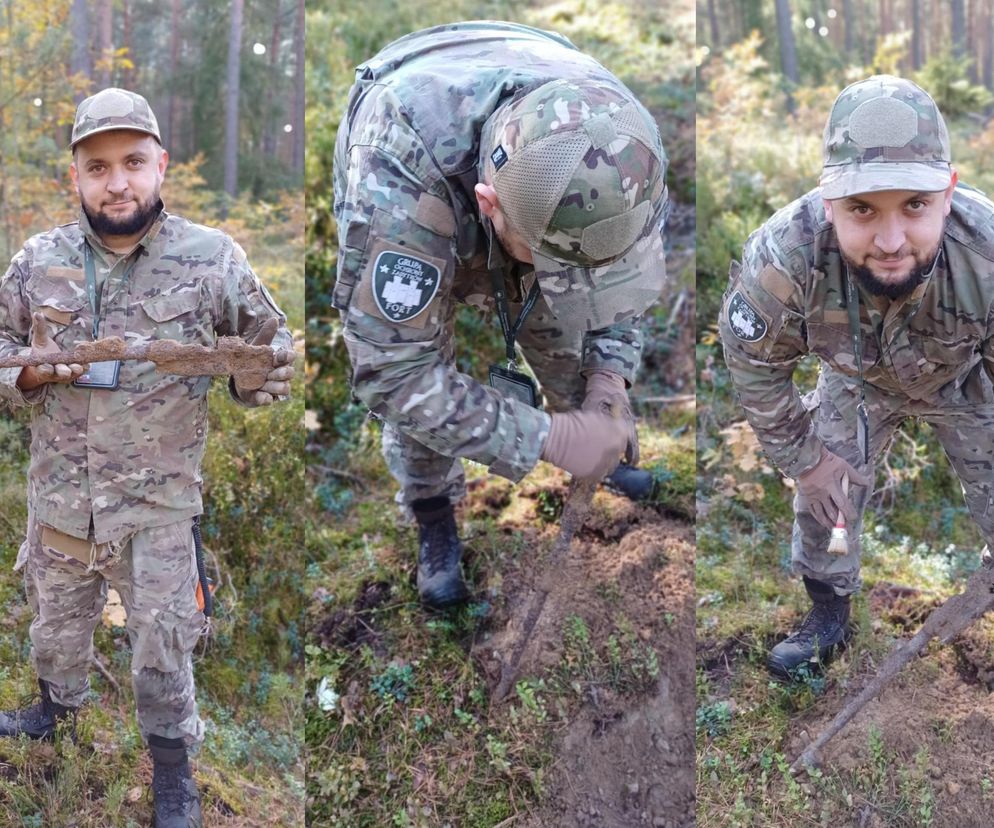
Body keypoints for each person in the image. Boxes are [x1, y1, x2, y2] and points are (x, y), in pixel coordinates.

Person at [0, 88, 294, 826]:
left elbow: (269, 356)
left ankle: (171, 771)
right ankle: (53, 713)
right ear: (76, 176)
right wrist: (30, 372)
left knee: (163, 646)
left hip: (159, 507)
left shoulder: (212, 259)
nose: (118, 182)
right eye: (97, 167)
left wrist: (253, 374)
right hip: (62, 503)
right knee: (56, 630)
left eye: (133, 162)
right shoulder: (38, 262)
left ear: (160, 164)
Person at [332, 22, 669, 608]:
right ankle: (434, 514)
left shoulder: (625, 149)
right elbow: (395, 372)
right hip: (424, 167)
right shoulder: (395, 178)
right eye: (551, 262)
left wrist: (608, 385)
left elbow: (617, 280)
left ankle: (601, 451)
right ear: (489, 205)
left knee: (578, 348)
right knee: (423, 389)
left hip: (528, 169)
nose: (567, 279)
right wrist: (551, 438)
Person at [719, 75, 994, 679]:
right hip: (859, 382)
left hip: (965, 378)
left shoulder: (988, 257)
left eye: (915, 206)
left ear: (948, 194)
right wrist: (808, 463)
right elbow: (755, 366)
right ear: (828, 203)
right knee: (830, 501)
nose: (890, 240)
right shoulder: (785, 262)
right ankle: (828, 613)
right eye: (862, 209)